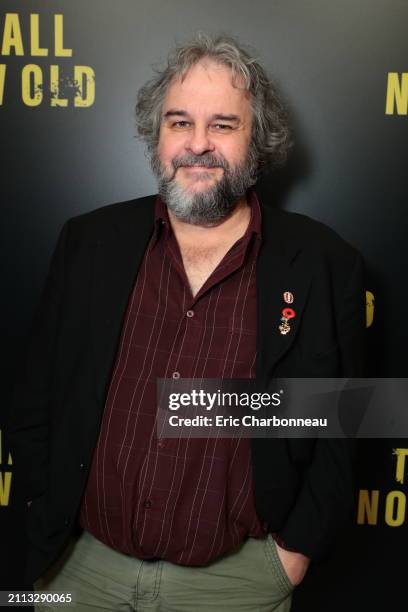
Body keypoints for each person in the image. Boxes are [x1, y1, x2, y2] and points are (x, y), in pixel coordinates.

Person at [7, 33, 365, 611]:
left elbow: (341, 427)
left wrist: (291, 557)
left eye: (223, 125)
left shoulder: (326, 264)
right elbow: (35, 397)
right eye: (179, 123)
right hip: (77, 570)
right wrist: (38, 508)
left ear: (258, 141)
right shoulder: (89, 243)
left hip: (235, 585)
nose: (198, 145)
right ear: (157, 135)